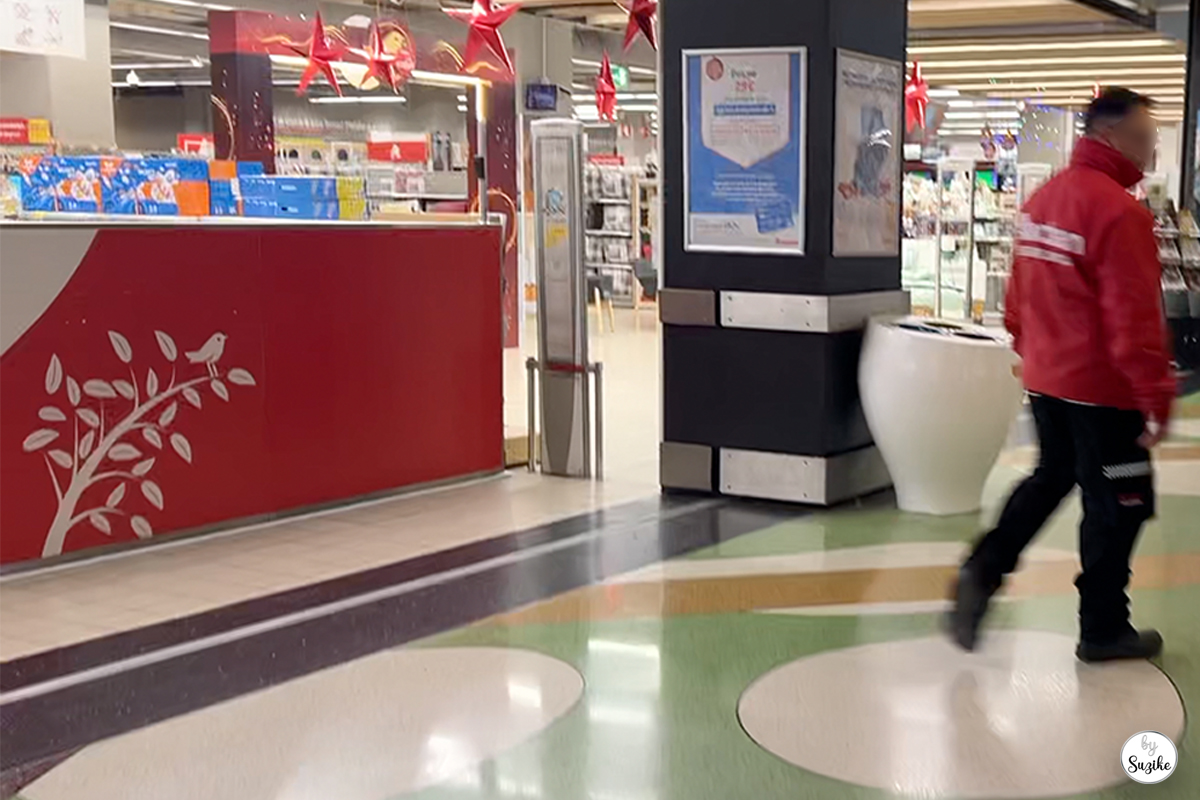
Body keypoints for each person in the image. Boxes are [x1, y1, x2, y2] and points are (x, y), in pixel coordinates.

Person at [949, 87, 1175, 663]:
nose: (1149, 153)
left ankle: (982, 569)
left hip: (1049, 382)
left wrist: (1031, 350)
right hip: (1104, 391)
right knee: (1119, 503)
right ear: (1109, 136)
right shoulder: (1120, 213)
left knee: (1050, 478)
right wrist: (1155, 395)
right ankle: (1103, 627)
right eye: (1143, 139)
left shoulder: (1042, 201)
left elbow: (1017, 296)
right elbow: (1134, 319)